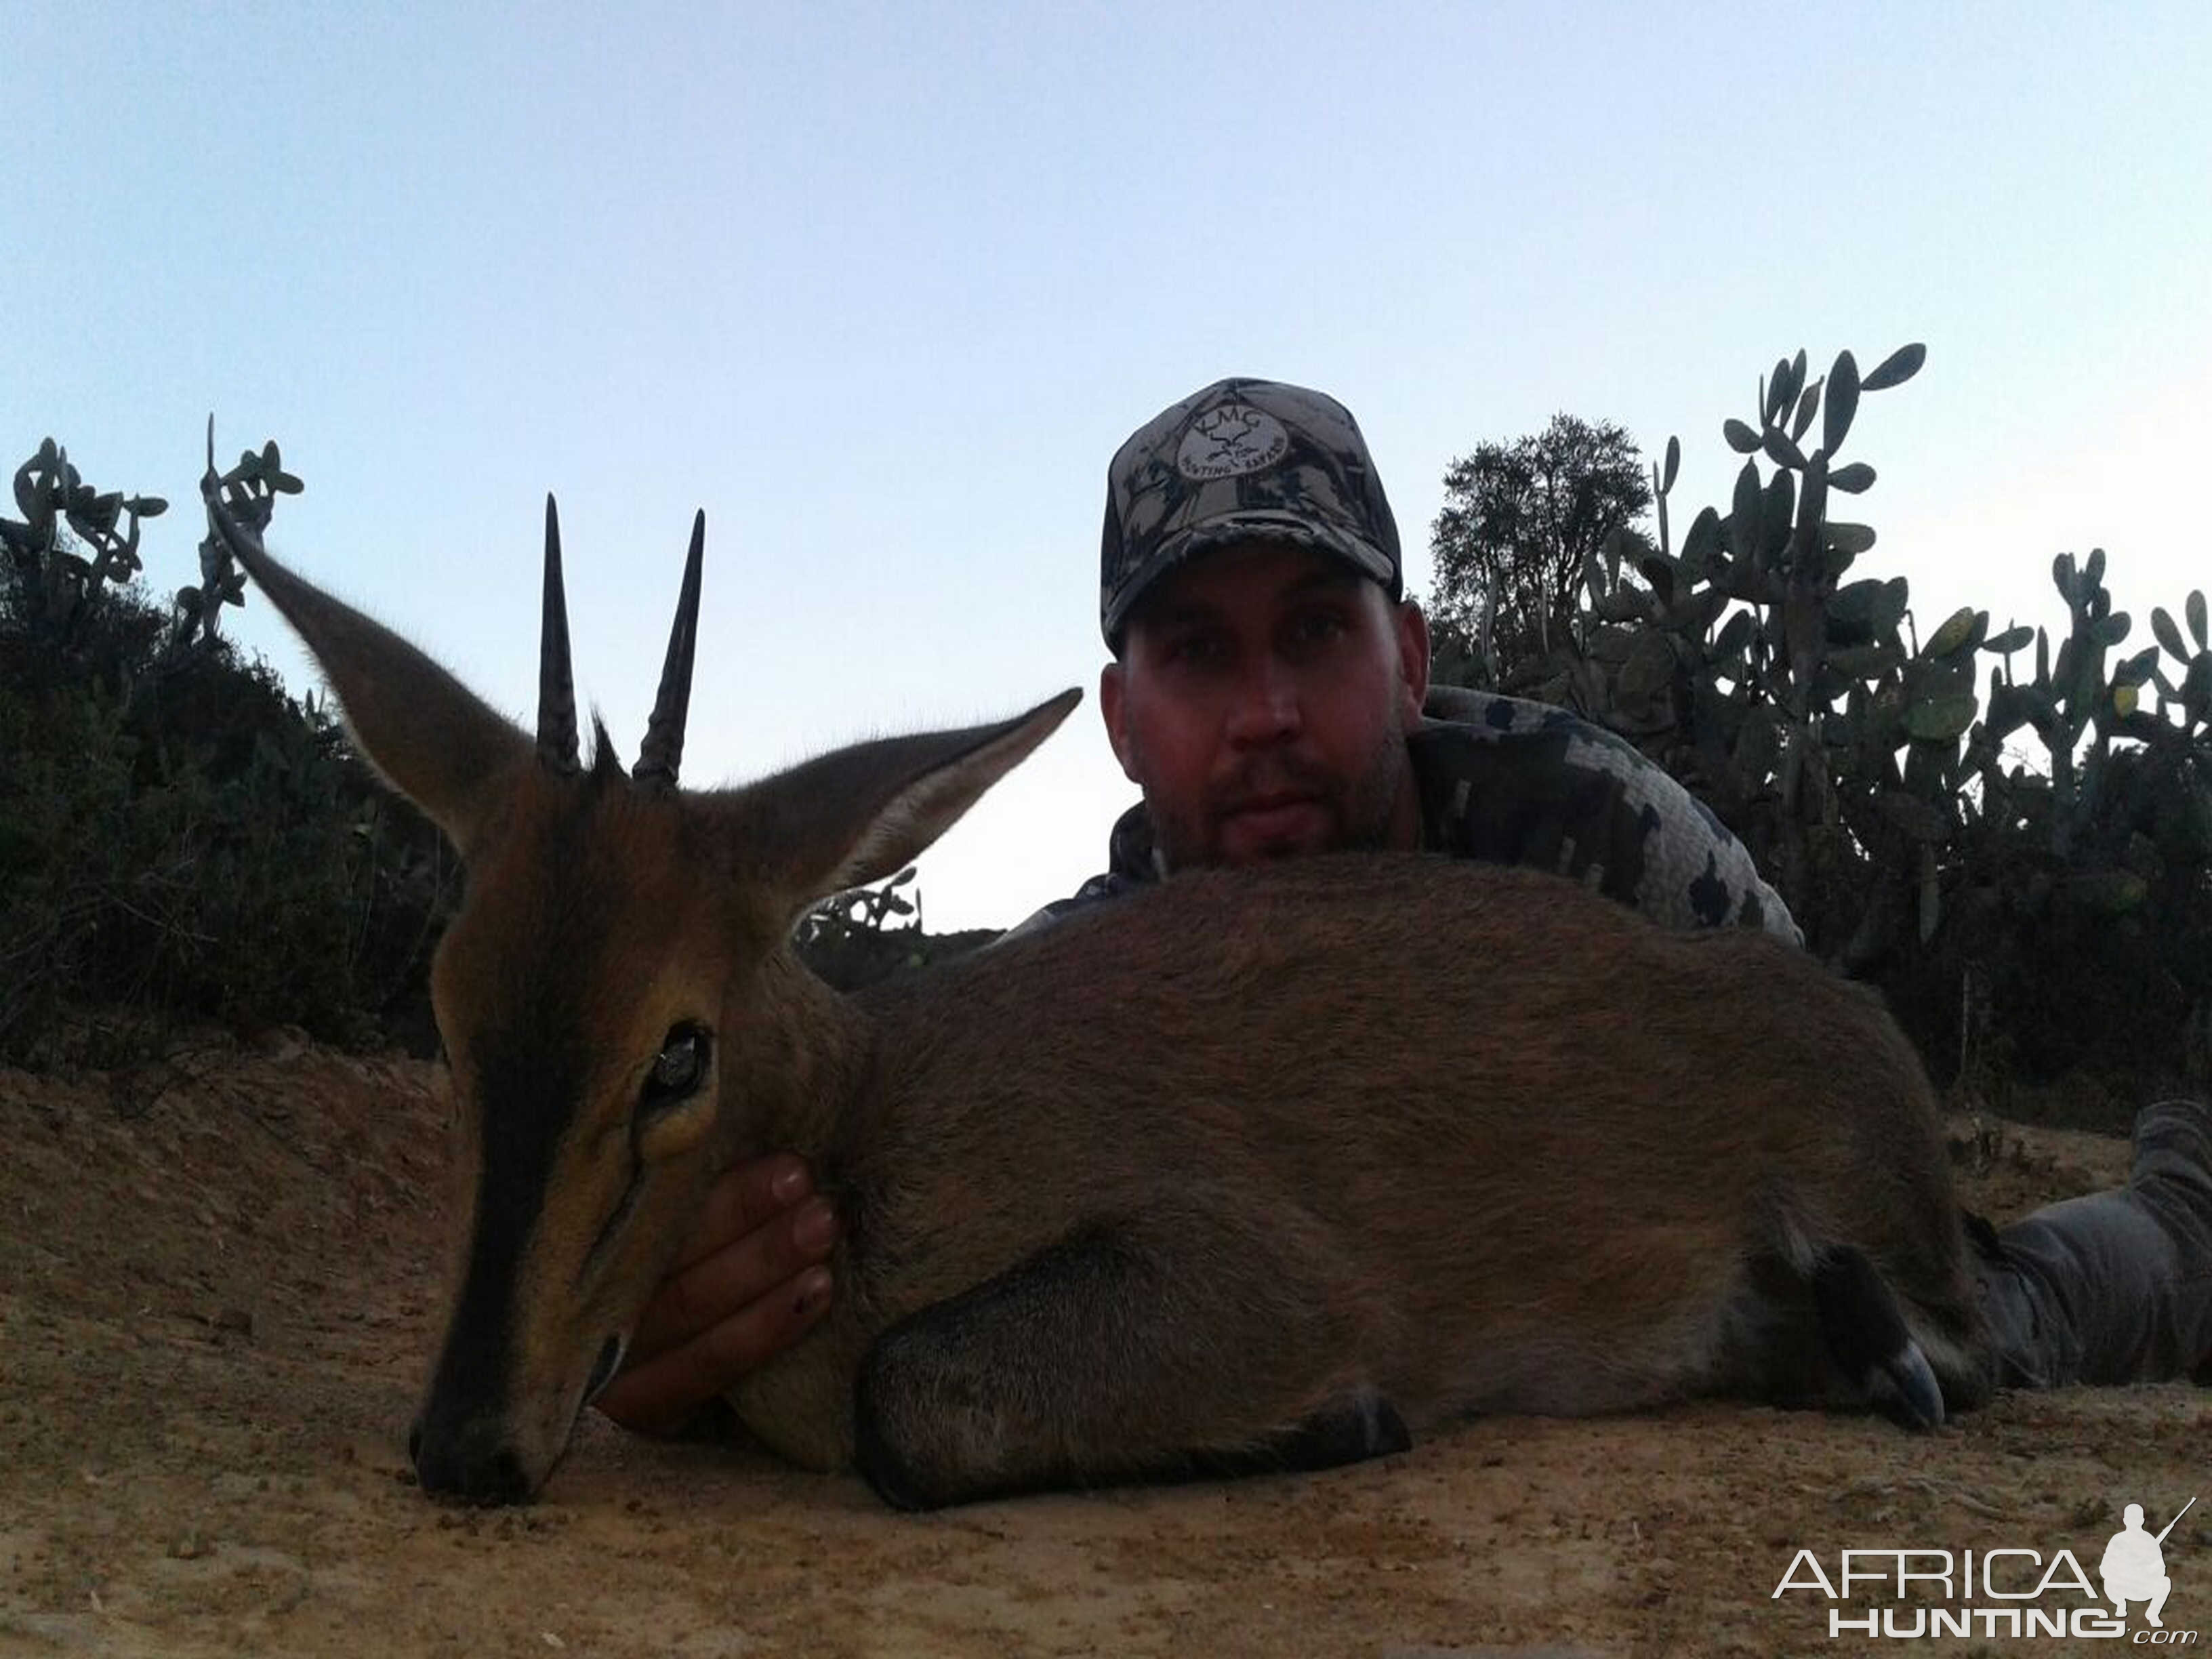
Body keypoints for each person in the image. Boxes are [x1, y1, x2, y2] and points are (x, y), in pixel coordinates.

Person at [596, 376, 2212, 1437]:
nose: (1265, 717)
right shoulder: (1069, 987)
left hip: (1772, 1259)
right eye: (1199, 658)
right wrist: (668, 1330)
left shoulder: (1585, 823)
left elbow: (1812, 1084)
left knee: (2004, 1308)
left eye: (1314, 634)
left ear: (1413, 662)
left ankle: (2182, 1200)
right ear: (1120, 719)